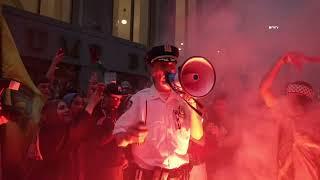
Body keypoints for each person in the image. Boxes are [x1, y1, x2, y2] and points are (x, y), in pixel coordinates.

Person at [113, 45, 204, 180]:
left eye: (171, 65)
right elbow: (118, 139)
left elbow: (198, 137)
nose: (168, 71)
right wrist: (128, 136)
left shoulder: (184, 99)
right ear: (152, 71)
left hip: (179, 176)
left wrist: (191, 103)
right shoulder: (140, 99)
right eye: (162, 66)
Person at [260, 52, 320, 180]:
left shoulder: (315, 116)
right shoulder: (283, 111)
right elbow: (264, 90)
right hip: (285, 174)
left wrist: (308, 142)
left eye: (292, 96)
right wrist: (280, 63)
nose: (289, 99)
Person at [83, 82, 128, 180]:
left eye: (119, 99)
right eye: (114, 98)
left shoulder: (116, 114)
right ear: (104, 97)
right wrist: (115, 129)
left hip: (116, 164)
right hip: (101, 166)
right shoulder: (96, 113)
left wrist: (122, 155)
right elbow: (97, 141)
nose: (117, 102)